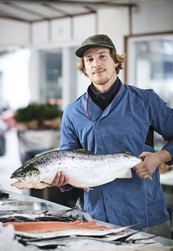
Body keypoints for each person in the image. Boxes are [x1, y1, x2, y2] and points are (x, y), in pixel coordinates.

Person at [52, 34, 173, 238]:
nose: (96, 64)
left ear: (116, 60)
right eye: (89, 59)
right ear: (84, 67)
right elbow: (68, 159)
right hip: (96, 217)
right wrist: (61, 179)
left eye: (102, 56)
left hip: (144, 216)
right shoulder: (73, 111)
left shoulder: (145, 100)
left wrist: (159, 158)